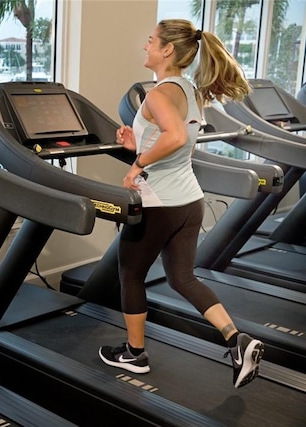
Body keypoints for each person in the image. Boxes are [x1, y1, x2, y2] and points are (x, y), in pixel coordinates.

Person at [98, 19, 264, 388]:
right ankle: (236, 339)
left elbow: (172, 137)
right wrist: (136, 144)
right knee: (182, 277)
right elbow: (175, 139)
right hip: (189, 201)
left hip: (159, 203)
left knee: (130, 275)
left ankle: (134, 353)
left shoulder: (157, 94)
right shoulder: (188, 89)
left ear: (167, 50)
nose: (146, 46)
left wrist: (137, 164)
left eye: (151, 40)